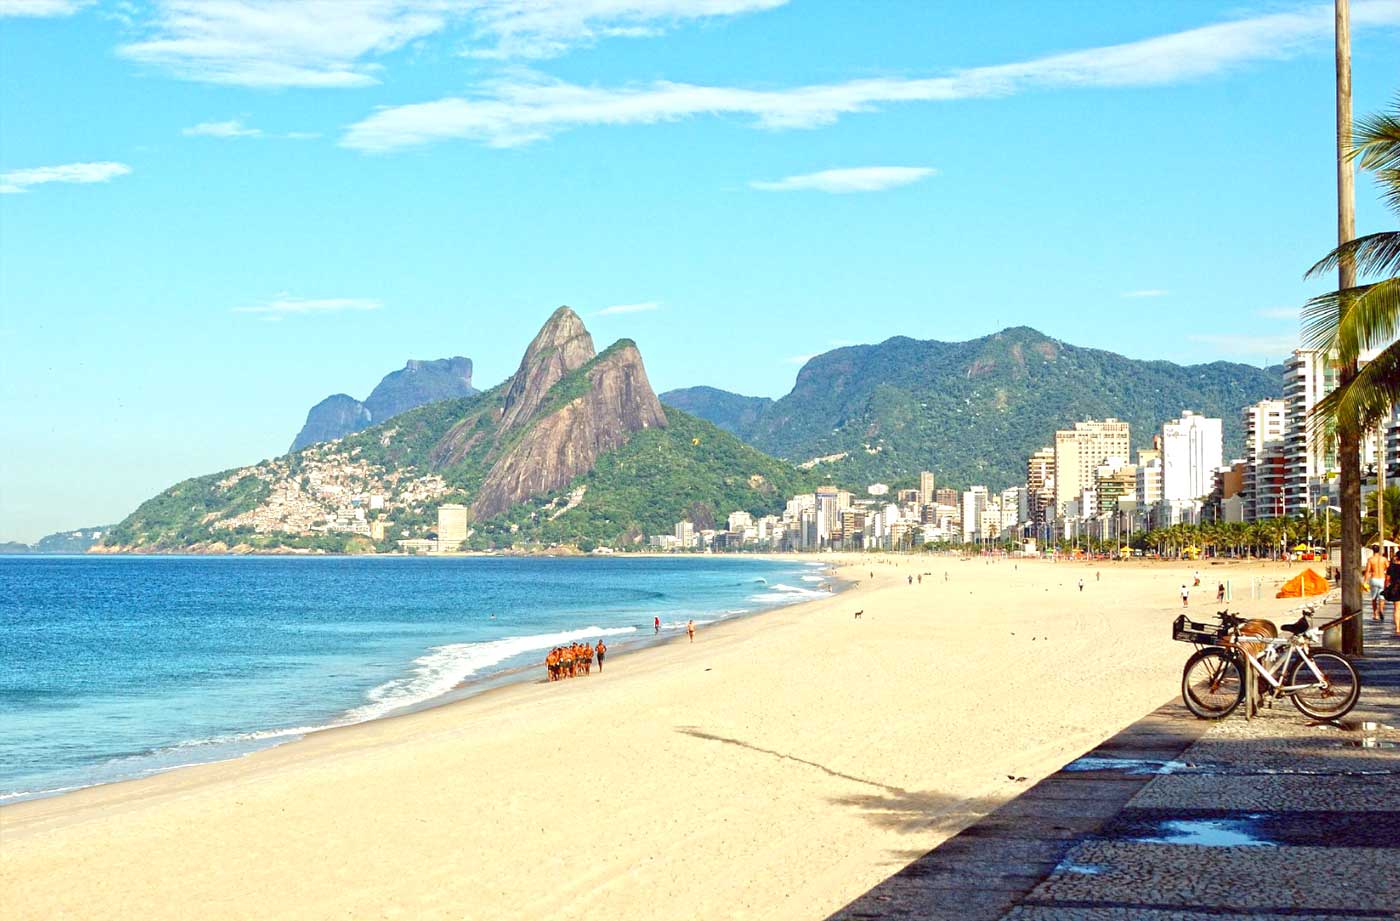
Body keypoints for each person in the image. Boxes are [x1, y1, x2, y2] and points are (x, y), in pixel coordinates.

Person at [1365, 543, 1388, 622]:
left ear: (1372, 550)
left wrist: (1365, 581)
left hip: (1374, 579)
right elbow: (1388, 568)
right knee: (1382, 597)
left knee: (1374, 598)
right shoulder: (1384, 559)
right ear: (1379, 550)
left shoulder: (1370, 559)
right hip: (1382, 579)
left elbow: (1367, 571)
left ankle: (1375, 614)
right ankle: (1381, 610)